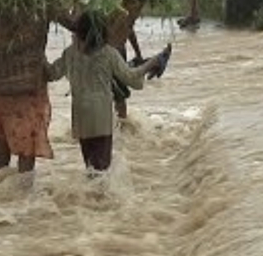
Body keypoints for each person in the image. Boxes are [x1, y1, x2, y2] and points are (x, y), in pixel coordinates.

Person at [46, 12, 172, 175]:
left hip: (80, 115)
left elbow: (51, 74)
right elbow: (131, 77)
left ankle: (90, 198)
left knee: (90, 167)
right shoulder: (108, 53)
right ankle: (101, 198)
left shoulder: (70, 53)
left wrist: (38, 56)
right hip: (100, 115)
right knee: (102, 169)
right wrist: (153, 62)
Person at [107, 2, 145, 120]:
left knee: (119, 93)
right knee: (118, 93)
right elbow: (109, 35)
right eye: (138, 8)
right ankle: (119, 122)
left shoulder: (126, 15)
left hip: (119, 51)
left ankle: (121, 123)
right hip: (112, 53)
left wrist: (138, 54)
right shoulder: (118, 13)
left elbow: (130, 31)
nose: (138, 13)